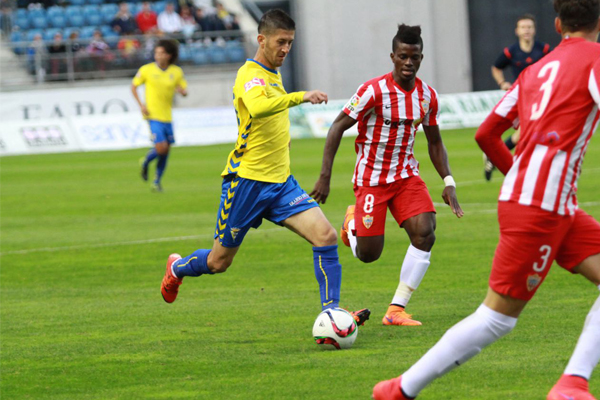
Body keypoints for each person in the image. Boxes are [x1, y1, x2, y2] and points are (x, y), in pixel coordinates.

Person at [373, 0, 600, 398]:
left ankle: (573, 383)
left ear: (558, 23)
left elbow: (486, 134)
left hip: (547, 202)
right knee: (497, 319)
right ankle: (400, 389)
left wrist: (521, 178)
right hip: (541, 207)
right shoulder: (595, 60)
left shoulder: (534, 71)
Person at [159, 9, 370, 328]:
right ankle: (177, 269)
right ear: (261, 39)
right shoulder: (250, 74)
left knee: (325, 235)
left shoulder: (273, 73)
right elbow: (257, 108)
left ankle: (332, 313)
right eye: (280, 42)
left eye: (290, 43)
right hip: (246, 184)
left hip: (281, 184)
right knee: (218, 262)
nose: (286, 49)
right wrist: (301, 97)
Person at [311, 24, 463, 327]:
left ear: (421, 58)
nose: (409, 62)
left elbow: (434, 142)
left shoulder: (427, 96)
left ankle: (396, 309)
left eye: (415, 57)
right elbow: (337, 127)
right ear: (393, 56)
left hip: (406, 177)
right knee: (369, 255)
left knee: (425, 232)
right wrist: (324, 176)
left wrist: (448, 182)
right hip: (372, 180)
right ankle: (351, 224)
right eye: (403, 56)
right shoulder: (373, 91)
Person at [484, 14, 551, 181]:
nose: (526, 30)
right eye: (523, 27)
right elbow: (496, 67)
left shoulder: (543, 50)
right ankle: (524, 171)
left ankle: (494, 157)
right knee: (527, 134)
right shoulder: (512, 51)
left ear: (534, 30)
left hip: (541, 98)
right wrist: (502, 83)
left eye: (529, 27)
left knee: (523, 135)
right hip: (521, 98)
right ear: (517, 31)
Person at [131, 39, 187, 192]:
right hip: (152, 114)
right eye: (156, 53)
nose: (158, 55)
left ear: (169, 55)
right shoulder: (146, 69)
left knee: (166, 151)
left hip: (167, 116)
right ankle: (145, 161)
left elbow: (183, 88)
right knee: (161, 148)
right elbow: (134, 86)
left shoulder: (176, 72)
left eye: (161, 53)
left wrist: (182, 92)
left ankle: (156, 181)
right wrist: (141, 105)